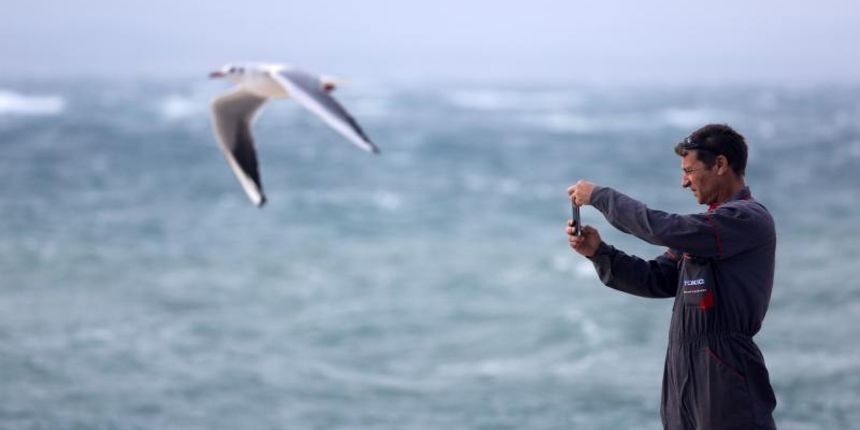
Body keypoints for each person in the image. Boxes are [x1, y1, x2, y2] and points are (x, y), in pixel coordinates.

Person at [565, 124, 777, 430]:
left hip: (725, 371)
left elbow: (663, 228)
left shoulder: (746, 219)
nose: (683, 181)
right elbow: (656, 278)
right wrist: (598, 252)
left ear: (720, 164)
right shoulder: (707, 232)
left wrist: (601, 197)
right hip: (683, 372)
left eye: (690, 171)